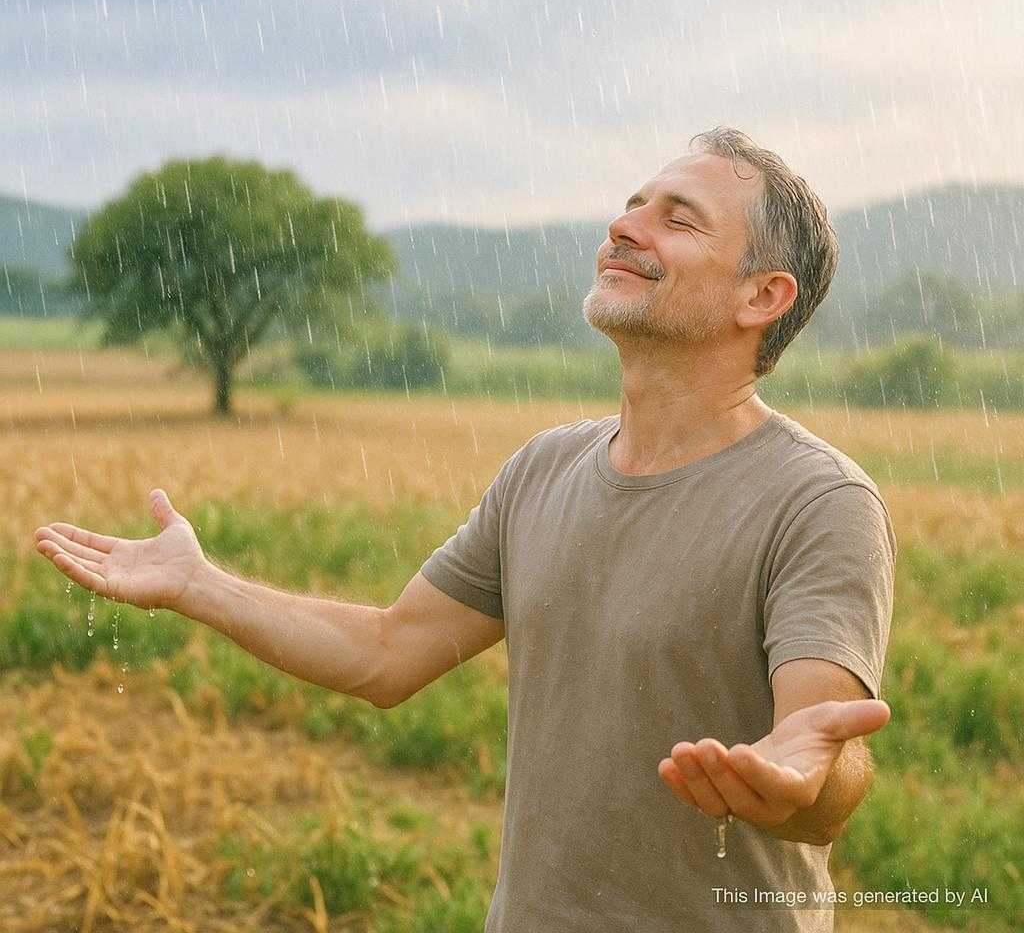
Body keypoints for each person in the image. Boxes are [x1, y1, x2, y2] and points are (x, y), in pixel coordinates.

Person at [35, 126, 896, 933]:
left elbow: (823, 751)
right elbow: (385, 653)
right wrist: (200, 584)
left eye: (678, 219)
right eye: (633, 204)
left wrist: (801, 781)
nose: (624, 225)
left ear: (762, 296)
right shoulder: (542, 470)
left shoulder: (816, 503)